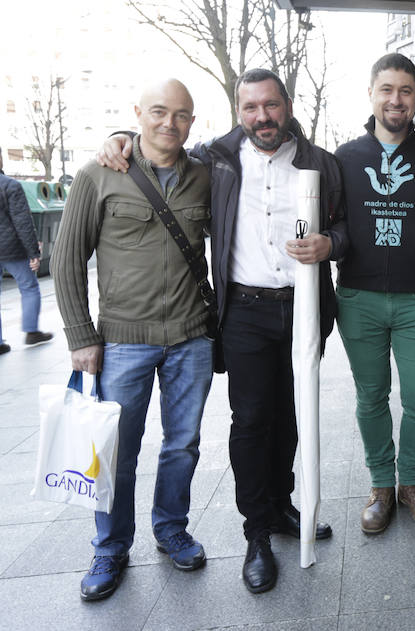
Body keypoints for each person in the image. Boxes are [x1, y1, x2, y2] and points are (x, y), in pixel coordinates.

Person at [98, 68, 344, 594]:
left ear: (287, 104)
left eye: (271, 105)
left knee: (291, 413)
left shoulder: (320, 162)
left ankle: (281, 505)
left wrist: (331, 245)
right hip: (246, 312)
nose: (262, 116)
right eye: (251, 107)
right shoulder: (216, 159)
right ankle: (256, 533)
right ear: (238, 111)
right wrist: (120, 135)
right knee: (252, 419)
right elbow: (160, 144)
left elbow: (344, 225)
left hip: (303, 307)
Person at [53, 79, 212, 601]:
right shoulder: (99, 173)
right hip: (122, 341)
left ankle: (171, 529)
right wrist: (80, 334)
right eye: (160, 112)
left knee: (182, 445)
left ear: (192, 122)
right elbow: (66, 258)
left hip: (191, 337)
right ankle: (111, 546)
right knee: (114, 451)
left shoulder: (205, 179)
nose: (170, 123)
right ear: (137, 114)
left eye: (182, 115)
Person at [334, 53, 415, 534]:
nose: (396, 99)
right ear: (371, 93)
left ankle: (413, 484)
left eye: (405, 90)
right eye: (387, 89)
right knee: (371, 397)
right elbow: (331, 220)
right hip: (358, 298)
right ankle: (382, 485)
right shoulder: (344, 158)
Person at [0, 157, 54, 355]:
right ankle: (32, 331)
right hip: (12, 248)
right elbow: (22, 220)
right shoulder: (10, 185)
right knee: (29, 287)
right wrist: (33, 252)